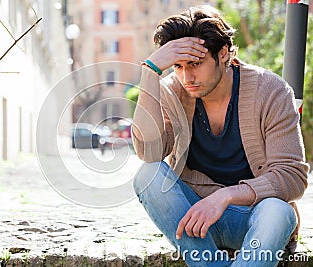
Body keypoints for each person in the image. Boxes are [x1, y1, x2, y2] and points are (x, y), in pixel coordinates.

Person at [131, 5, 309, 267]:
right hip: (197, 224)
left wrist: (225, 196)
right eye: (178, 66)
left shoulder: (270, 91)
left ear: (223, 53)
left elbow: (292, 177)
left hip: (255, 220)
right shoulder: (173, 92)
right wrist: (150, 72)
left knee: (279, 211)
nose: (186, 76)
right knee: (148, 175)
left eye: (195, 64)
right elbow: (150, 152)